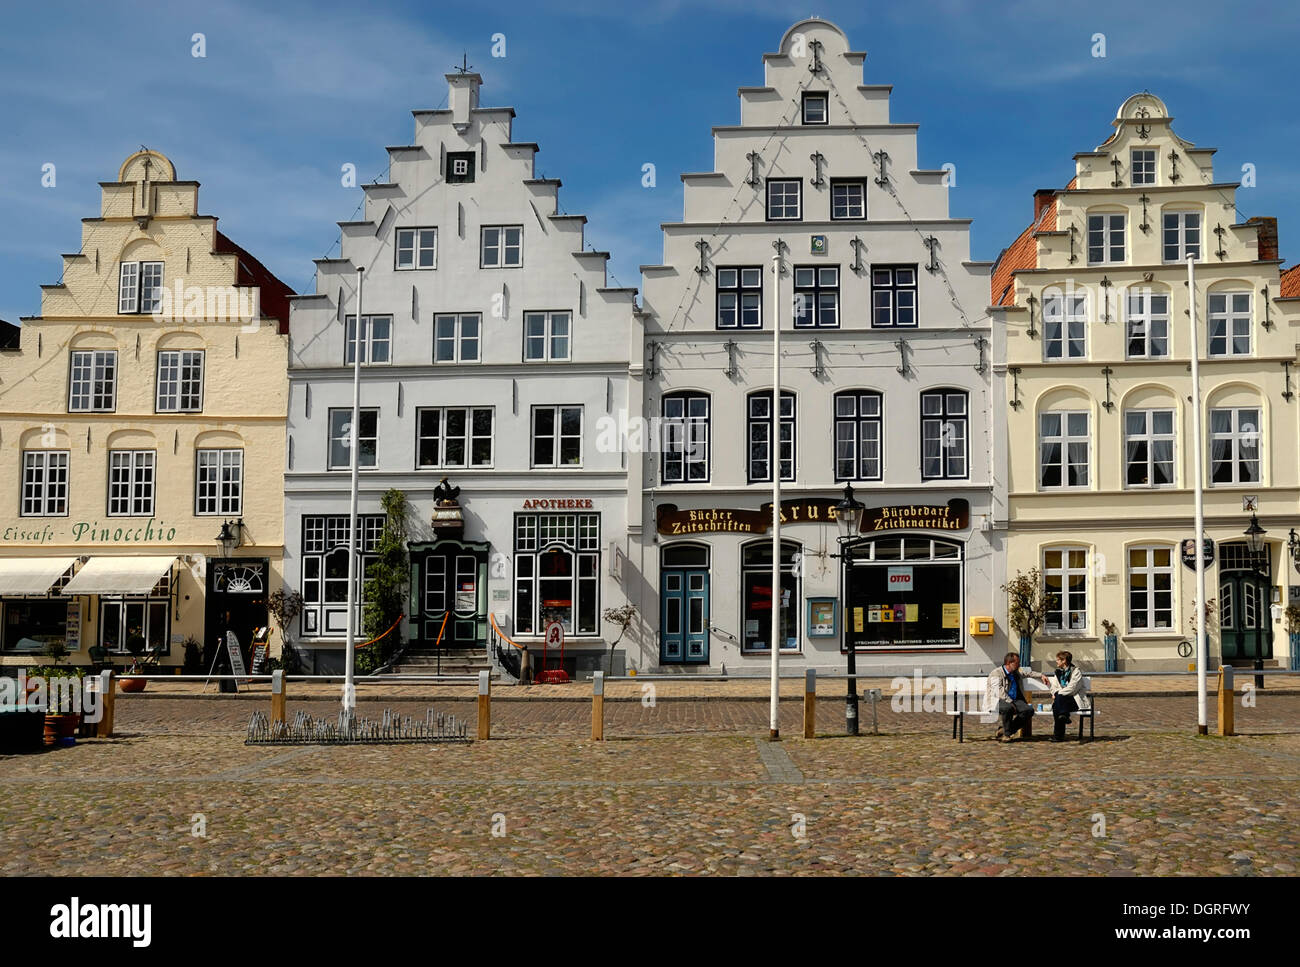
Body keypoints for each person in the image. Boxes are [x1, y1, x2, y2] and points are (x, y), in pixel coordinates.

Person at [985, 652, 1046, 742]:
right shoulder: (996, 673)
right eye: (1017, 663)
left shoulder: (1016, 672)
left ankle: (1006, 730)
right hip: (997, 699)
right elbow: (998, 691)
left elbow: (1028, 673)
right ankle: (1006, 735)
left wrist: (1041, 675)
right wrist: (1010, 702)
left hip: (1015, 699)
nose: (1019, 665)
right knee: (1007, 708)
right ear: (1009, 663)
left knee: (1028, 710)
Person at [1044, 650, 1090, 742]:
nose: (1056, 661)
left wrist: (1058, 694)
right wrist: (1058, 694)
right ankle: (1064, 716)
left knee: (1058, 702)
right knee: (1058, 704)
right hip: (1063, 702)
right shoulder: (1058, 672)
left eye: (1058, 660)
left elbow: (1072, 689)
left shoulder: (1076, 671)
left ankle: (1058, 736)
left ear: (1064, 660)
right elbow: (1054, 687)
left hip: (1075, 700)